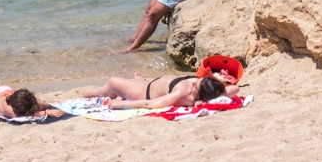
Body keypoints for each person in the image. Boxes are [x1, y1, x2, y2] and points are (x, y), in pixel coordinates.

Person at [70, 72, 235, 111]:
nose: (193, 83)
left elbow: (150, 104)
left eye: (195, 86)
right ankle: (138, 81)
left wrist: (121, 105)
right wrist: (220, 82)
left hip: (144, 92)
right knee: (135, 81)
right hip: (152, 83)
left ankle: (93, 93)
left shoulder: (182, 94)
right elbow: (235, 88)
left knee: (113, 82)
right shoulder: (214, 91)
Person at [0, 86, 66, 119]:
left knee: (33, 102)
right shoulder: (8, 110)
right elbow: (29, 115)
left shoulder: (17, 97)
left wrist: (48, 107)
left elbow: (31, 103)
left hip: (5, 91)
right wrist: (47, 112)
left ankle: (48, 104)